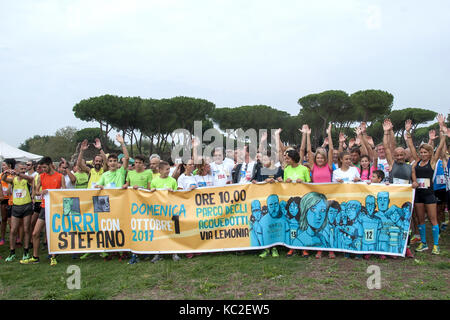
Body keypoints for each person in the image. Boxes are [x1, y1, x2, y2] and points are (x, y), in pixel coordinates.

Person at [409, 118, 446, 255]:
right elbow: (412, 148)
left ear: (430, 153)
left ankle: (435, 245)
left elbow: (441, 147)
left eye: (426, 152)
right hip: (418, 194)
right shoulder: (417, 162)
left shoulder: (432, 162)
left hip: (430, 194)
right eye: (422, 152)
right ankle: (423, 243)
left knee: (433, 219)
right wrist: (408, 133)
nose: (423, 154)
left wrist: (443, 132)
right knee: (420, 219)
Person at [20, 156, 65, 265]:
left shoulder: (60, 176)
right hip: (44, 207)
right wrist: (41, 192)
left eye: (45, 167)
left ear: (50, 165)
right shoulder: (41, 177)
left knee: (53, 233)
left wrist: (57, 192)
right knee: (35, 233)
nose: (43, 169)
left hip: (56, 207)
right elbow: (35, 192)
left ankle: (53, 257)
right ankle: (35, 257)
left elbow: (65, 191)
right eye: (42, 167)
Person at [150, 161, 180, 263]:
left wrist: (173, 192)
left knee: (172, 231)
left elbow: (177, 195)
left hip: (170, 210)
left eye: (169, 169)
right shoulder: (154, 181)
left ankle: (174, 253)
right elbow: (150, 195)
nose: (168, 171)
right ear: (160, 170)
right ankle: (158, 253)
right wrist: (152, 191)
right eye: (166, 169)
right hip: (159, 211)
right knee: (159, 232)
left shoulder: (172, 180)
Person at [4, 162, 34, 262]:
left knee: (26, 229)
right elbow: (4, 179)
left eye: (24, 169)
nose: (24, 170)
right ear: (16, 169)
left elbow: (31, 179)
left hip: (27, 206)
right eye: (21, 169)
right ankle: (12, 252)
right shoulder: (14, 179)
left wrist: (19, 174)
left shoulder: (27, 179)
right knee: (13, 230)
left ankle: (26, 251)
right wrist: (5, 173)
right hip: (16, 207)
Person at [1, 159, 15, 246]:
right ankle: (2, 238)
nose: (2, 167)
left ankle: (14, 237)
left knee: (11, 221)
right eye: (2, 165)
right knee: (3, 219)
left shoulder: (14, 175)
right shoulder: (1, 175)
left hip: (12, 199)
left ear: (9, 165)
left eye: (4, 165)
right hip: (3, 199)